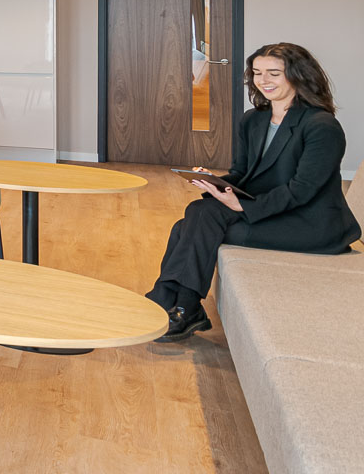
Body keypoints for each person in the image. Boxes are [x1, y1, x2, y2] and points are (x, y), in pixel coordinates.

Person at [148, 43, 357, 342]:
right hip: (270, 210)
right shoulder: (254, 119)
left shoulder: (321, 126)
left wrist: (241, 207)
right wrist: (216, 183)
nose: (263, 80)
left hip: (308, 224)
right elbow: (243, 174)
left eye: (274, 73)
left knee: (194, 223)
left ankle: (169, 301)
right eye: (257, 73)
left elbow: (303, 191)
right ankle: (182, 305)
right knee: (196, 218)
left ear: (298, 75)